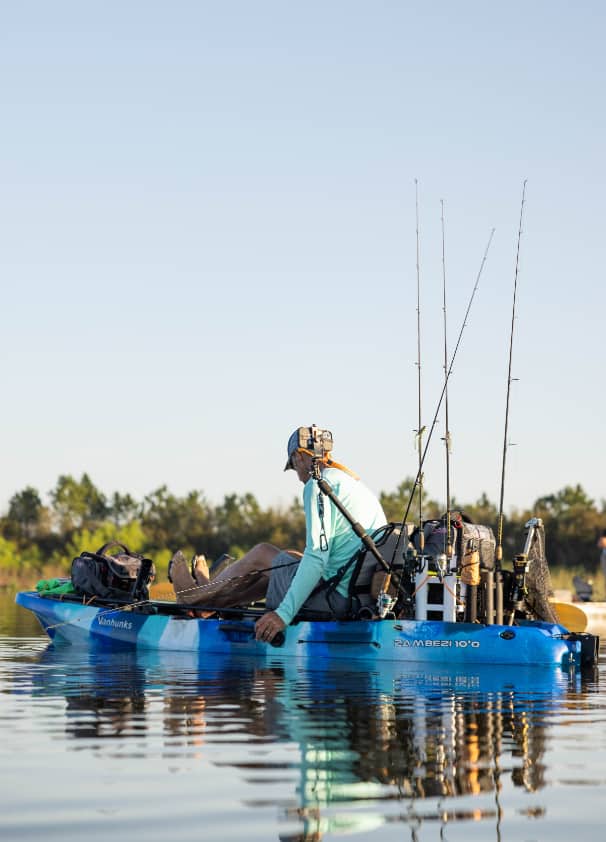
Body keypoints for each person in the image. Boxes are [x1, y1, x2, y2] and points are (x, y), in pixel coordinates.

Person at [168, 426, 387, 643]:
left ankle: (193, 598)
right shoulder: (353, 484)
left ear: (299, 457)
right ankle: (207, 604)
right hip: (357, 594)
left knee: (263, 554)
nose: (299, 477)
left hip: (335, 598)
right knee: (284, 559)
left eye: (293, 467)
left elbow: (317, 558)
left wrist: (283, 615)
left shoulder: (318, 484)